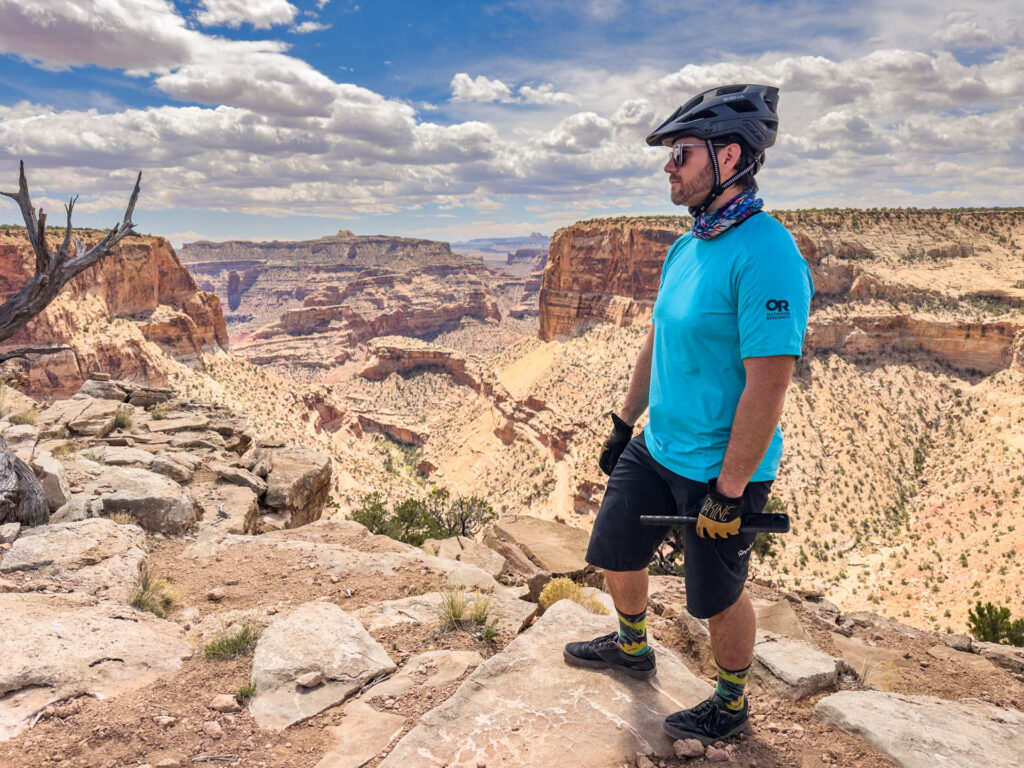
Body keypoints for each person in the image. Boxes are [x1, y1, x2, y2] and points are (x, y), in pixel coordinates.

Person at [562, 84, 814, 745]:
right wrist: (624, 425)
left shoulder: (768, 255)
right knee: (615, 549)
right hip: (658, 444)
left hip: (720, 467)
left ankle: (731, 706)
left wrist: (730, 493)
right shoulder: (688, 246)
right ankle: (632, 645)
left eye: (680, 154)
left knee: (717, 596)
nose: (668, 167)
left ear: (728, 157)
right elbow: (658, 340)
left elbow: (768, 385)